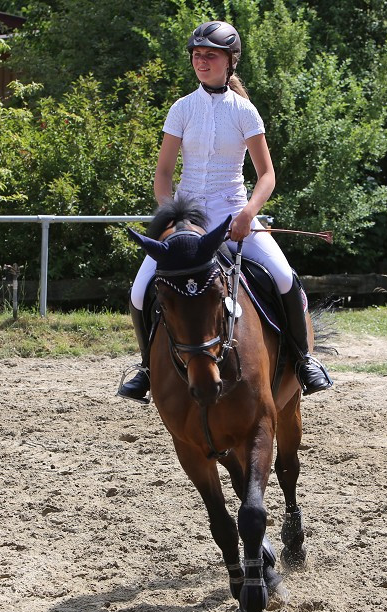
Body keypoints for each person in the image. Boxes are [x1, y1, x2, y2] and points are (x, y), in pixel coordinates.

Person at [118, 20, 333, 403]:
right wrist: (172, 216)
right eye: (197, 56)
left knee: (284, 277)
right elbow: (163, 175)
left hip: (234, 215)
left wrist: (248, 214)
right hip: (186, 222)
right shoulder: (181, 109)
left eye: (210, 56)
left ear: (230, 61)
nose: (202, 62)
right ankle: (146, 370)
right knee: (139, 291)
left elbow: (266, 175)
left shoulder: (245, 113)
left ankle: (304, 360)